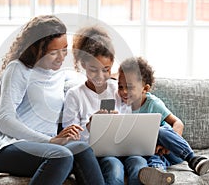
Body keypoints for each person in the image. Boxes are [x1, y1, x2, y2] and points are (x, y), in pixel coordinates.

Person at [0, 15, 105, 185]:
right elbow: (4, 121)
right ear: (36, 50)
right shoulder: (19, 69)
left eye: (64, 49)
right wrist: (50, 141)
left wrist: (111, 78)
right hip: (6, 146)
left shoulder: (60, 74)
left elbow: (89, 78)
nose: (61, 57)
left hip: (49, 147)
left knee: (82, 149)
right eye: (53, 52)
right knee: (61, 157)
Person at [62, 26, 147, 185]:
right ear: (83, 64)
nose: (100, 77)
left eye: (106, 70)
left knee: (139, 163)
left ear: (112, 64)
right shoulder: (75, 95)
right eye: (93, 70)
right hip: (100, 154)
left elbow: (133, 119)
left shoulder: (119, 89)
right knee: (113, 167)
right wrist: (90, 126)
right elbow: (70, 140)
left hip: (126, 148)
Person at [117, 57, 209, 185]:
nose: (123, 92)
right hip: (152, 151)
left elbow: (178, 123)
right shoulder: (121, 106)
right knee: (149, 153)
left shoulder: (153, 103)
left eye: (129, 87)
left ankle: (193, 159)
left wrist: (167, 145)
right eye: (120, 86)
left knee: (160, 131)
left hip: (172, 149)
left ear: (145, 89)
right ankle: (158, 173)